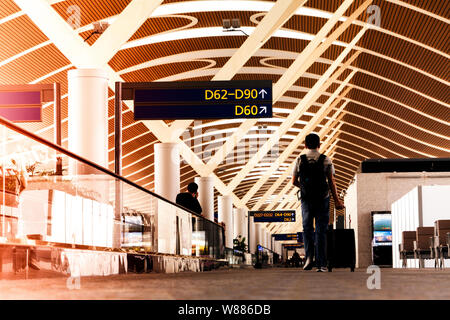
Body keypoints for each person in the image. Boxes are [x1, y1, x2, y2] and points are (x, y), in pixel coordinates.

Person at [292, 133, 344, 272]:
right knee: (321, 230)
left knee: (307, 229)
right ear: (319, 145)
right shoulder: (326, 159)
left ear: (305, 145)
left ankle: (309, 257)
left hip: (306, 200)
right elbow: (332, 182)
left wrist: (304, 188)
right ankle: (321, 263)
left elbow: (293, 181)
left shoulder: (300, 160)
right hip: (322, 199)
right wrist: (337, 201)